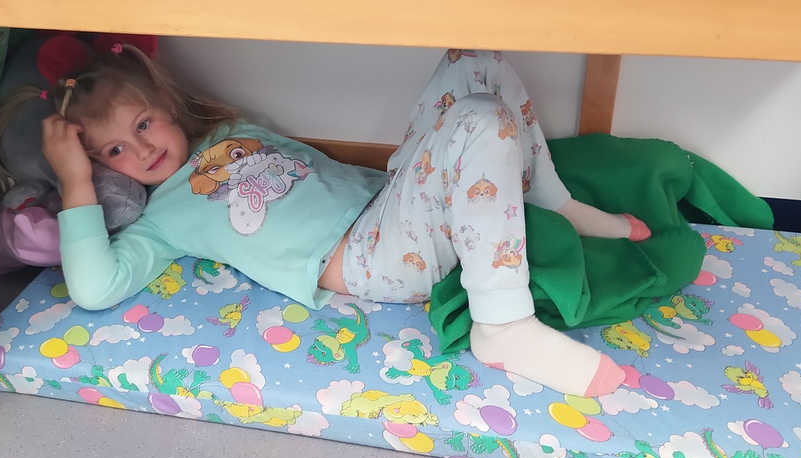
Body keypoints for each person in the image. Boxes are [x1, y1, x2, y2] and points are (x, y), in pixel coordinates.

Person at [40, 45, 650, 397]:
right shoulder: (160, 221)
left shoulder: (228, 132)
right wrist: (73, 180)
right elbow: (94, 288)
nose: (142, 149)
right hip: (371, 257)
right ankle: (503, 325)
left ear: (166, 107)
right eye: (116, 150)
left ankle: (552, 201)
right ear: (102, 169)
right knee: (482, 118)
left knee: (473, 58)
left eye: (143, 124)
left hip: (389, 198)